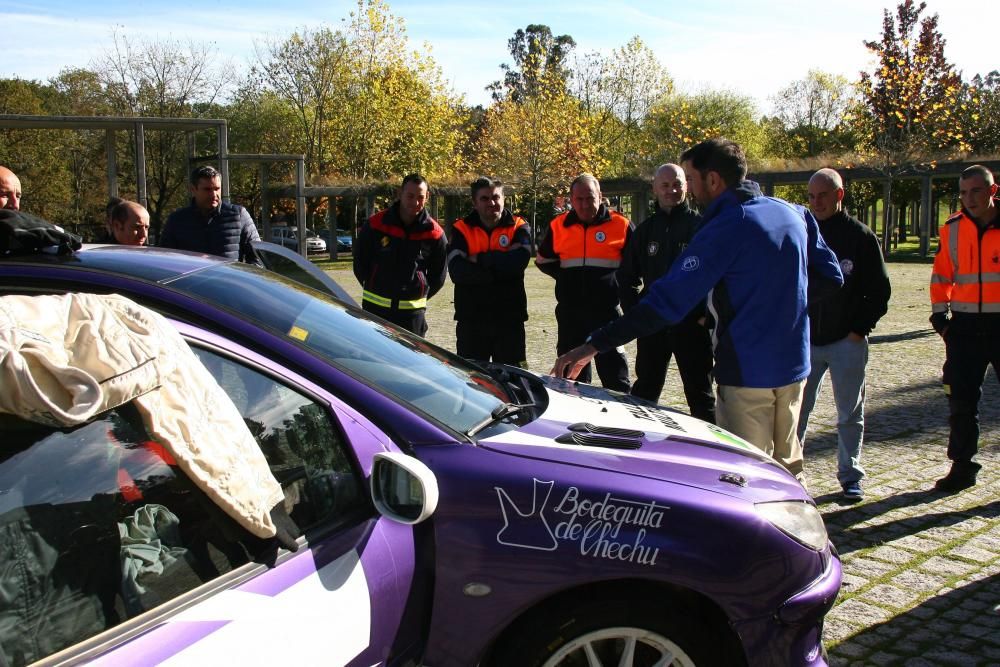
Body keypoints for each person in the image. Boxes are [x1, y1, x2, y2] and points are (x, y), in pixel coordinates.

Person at [552, 138, 842, 480]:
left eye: (691, 177)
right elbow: (831, 276)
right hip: (794, 367)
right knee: (790, 468)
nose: (688, 189)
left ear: (714, 180)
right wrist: (783, 310)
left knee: (748, 478)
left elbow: (665, 303)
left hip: (748, 374)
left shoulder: (726, 227)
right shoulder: (793, 212)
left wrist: (594, 344)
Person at [796, 168, 891, 501]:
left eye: (822, 195)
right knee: (797, 411)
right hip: (806, 340)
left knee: (850, 412)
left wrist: (858, 330)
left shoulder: (861, 236)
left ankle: (850, 475)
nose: (816, 202)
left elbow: (878, 290)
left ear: (839, 195)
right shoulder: (802, 232)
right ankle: (791, 473)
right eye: (810, 196)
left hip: (846, 341)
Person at [618, 164, 715, 421]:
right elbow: (627, 277)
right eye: (665, 185)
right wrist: (637, 314)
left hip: (691, 327)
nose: (672, 190)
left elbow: (717, 276)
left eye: (677, 184)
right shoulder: (645, 231)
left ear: (687, 186)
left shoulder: (701, 227)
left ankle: (707, 456)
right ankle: (642, 451)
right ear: (654, 189)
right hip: (654, 327)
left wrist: (705, 314)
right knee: (644, 394)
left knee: (701, 396)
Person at [929, 164, 1000, 492]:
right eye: (963, 192)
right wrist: (939, 316)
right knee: (960, 400)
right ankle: (962, 465)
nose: (968, 198)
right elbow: (942, 273)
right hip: (965, 326)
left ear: (992, 191)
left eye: (976, 191)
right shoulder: (952, 228)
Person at [536, 173, 632, 392]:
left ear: (600, 196)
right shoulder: (559, 225)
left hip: (607, 314)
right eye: (579, 199)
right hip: (571, 314)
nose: (585, 204)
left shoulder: (621, 225)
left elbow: (634, 267)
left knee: (616, 380)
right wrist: (565, 278)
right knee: (570, 379)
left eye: (590, 198)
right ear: (571, 199)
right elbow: (542, 260)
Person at [448, 177, 531, 366]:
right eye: (484, 199)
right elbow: (457, 272)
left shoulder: (519, 226)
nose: (491, 203)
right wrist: (500, 270)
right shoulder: (461, 228)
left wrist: (478, 259)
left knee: (513, 381)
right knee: (471, 383)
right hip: (472, 321)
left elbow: (518, 263)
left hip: (510, 320)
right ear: (474, 203)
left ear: (504, 199)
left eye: (496, 197)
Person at [353, 173, 447, 336]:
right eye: (410, 196)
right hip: (375, 311)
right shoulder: (376, 225)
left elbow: (438, 277)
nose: (415, 202)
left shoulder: (435, 234)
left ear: (427, 197)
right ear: (400, 193)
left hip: (412, 317)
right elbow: (360, 264)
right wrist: (375, 285)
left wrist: (417, 292)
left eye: (420, 197)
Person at [160, 166, 260, 262]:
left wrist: (241, 278)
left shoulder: (238, 216)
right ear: (193, 190)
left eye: (217, 189)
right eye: (207, 189)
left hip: (228, 278)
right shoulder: (177, 220)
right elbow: (165, 259)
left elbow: (257, 257)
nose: (214, 195)